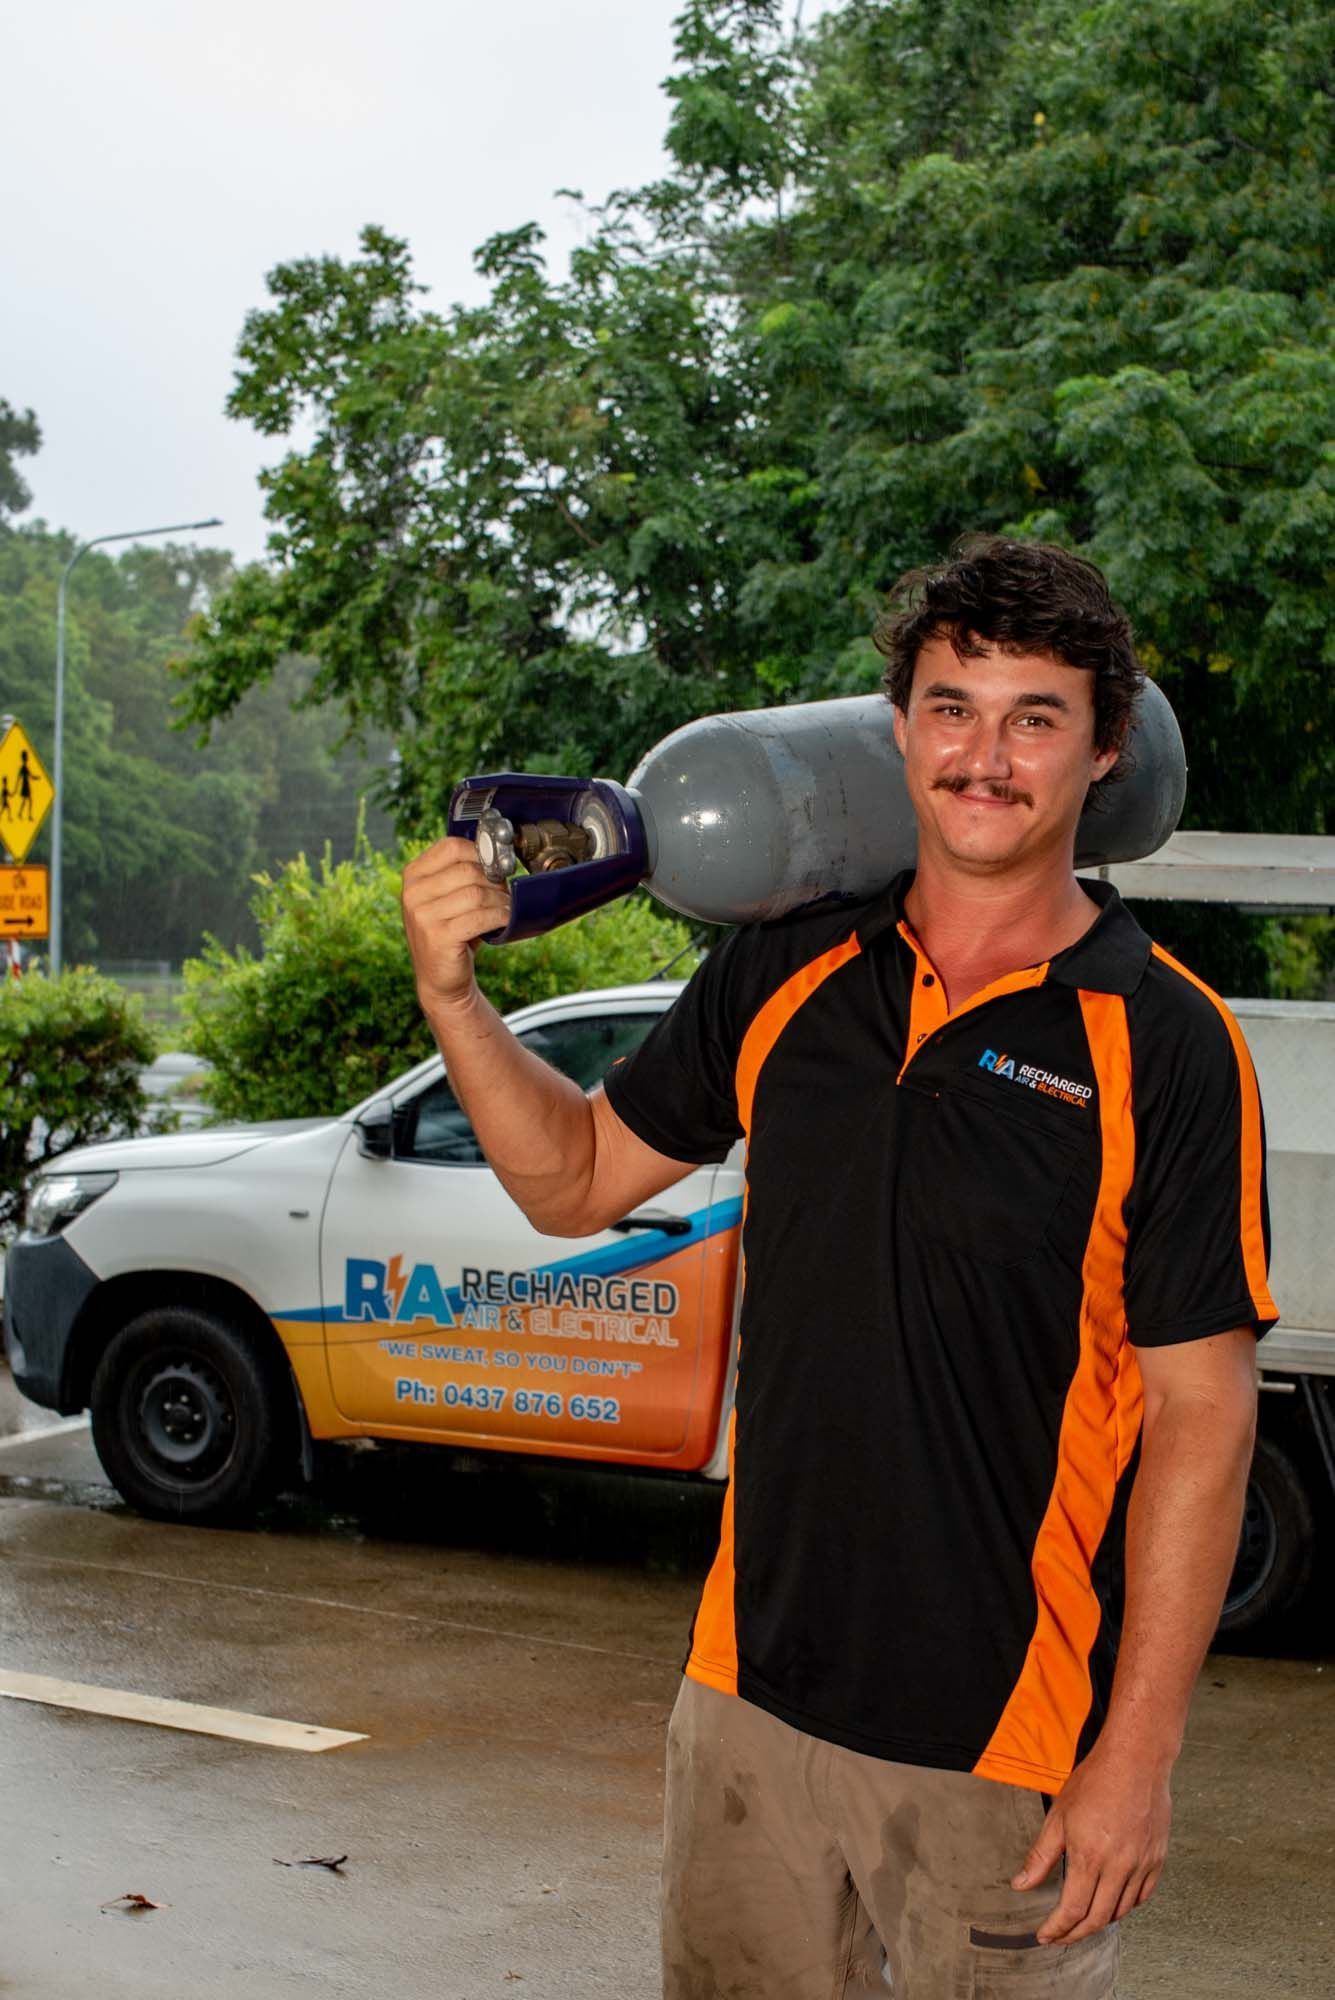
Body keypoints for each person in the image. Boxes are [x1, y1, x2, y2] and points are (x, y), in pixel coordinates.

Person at [401, 535, 1275, 1999]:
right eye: (951, 708)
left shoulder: (1168, 1042)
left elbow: (1205, 1416)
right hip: (748, 1702)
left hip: (1005, 1748)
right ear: (899, 732)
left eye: (1033, 717)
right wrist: (454, 994)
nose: (983, 757)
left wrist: (1137, 1755)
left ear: (1102, 751)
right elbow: (574, 1181)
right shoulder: (786, 966)